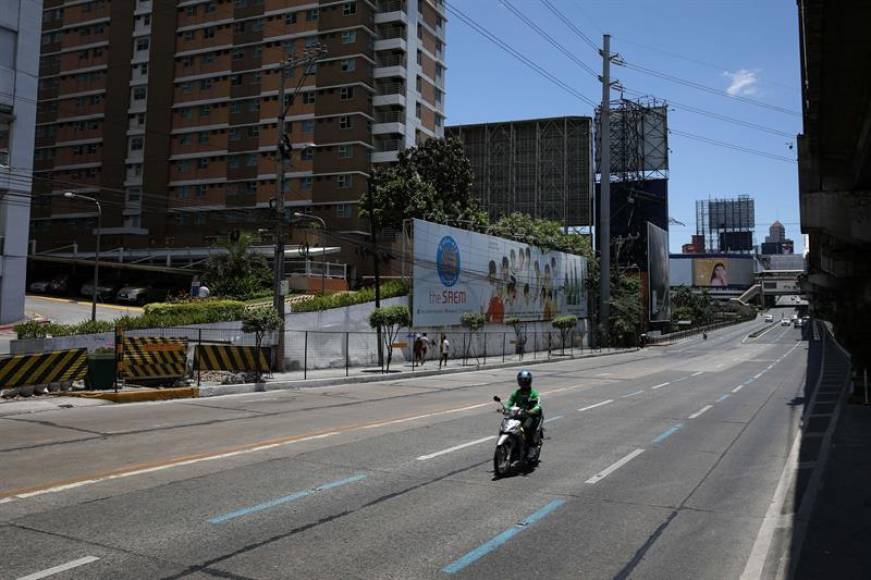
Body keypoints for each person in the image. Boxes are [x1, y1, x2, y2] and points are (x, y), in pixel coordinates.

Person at [503, 370, 543, 445]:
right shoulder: (516, 393)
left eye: (526, 381)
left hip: (530, 415)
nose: (524, 384)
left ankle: (530, 446)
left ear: (529, 381)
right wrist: (505, 409)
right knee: (508, 424)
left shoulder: (534, 393)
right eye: (522, 382)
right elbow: (510, 403)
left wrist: (531, 411)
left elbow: (537, 406)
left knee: (526, 427)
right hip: (518, 414)